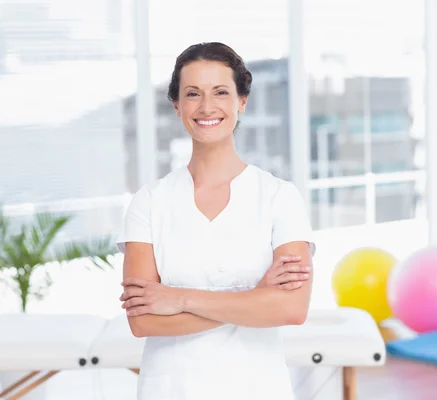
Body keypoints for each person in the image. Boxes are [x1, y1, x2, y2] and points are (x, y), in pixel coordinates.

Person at [116, 42, 316, 400]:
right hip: (171, 388)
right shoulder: (149, 202)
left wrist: (178, 298)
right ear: (177, 106)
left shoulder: (279, 198)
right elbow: (142, 321)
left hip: (256, 387)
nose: (207, 107)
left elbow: (291, 308)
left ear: (242, 101)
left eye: (220, 92)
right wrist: (255, 300)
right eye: (193, 94)